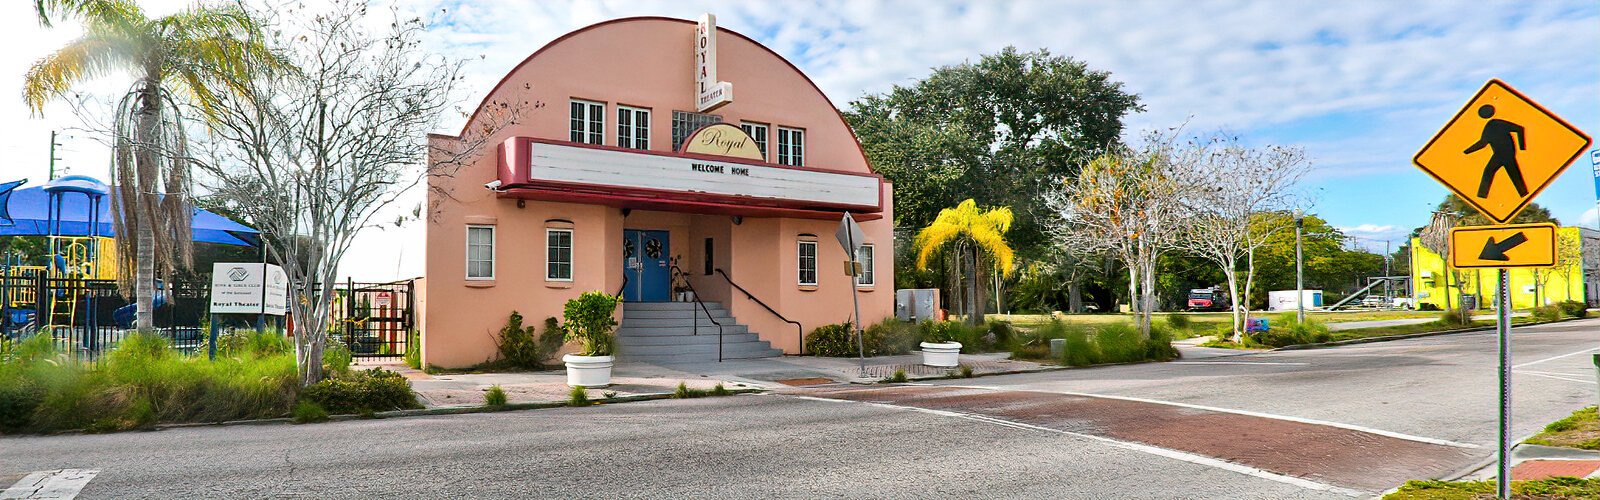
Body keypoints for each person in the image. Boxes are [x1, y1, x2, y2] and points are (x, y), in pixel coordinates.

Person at [1463, 104, 1527, 198]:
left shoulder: (1496, 124)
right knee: (1510, 173)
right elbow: (1483, 143)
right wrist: (1466, 151)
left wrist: (1522, 147)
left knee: (1492, 171)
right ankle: (1523, 194)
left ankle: (1482, 196)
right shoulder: (1491, 125)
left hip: (1505, 154)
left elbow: (1520, 129)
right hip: (1501, 154)